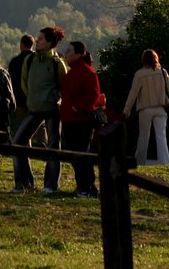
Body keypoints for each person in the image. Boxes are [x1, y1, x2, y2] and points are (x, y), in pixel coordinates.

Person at [11, 25, 68, 193]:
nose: (37, 41)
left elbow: (62, 85)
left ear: (49, 43)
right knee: (18, 143)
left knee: (53, 146)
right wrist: (33, 99)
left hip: (51, 109)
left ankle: (51, 185)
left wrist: (51, 98)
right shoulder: (30, 60)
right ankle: (24, 183)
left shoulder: (57, 62)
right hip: (34, 108)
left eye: (41, 39)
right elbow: (24, 83)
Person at [60, 40, 101, 198]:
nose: (66, 53)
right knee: (74, 154)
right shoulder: (70, 73)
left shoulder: (88, 72)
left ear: (78, 54)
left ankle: (87, 187)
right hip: (69, 120)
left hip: (82, 120)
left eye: (69, 51)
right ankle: (82, 186)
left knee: (82, 154)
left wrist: (76, 106)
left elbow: (93, 96)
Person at [123, 49, 169, 165]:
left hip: (145, 109)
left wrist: (126, 110)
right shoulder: (162, 71)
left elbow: (133, 93)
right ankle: (165, 162)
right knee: (161, 136)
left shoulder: (139, 74)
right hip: (161, 108)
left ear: (144, 59)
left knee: (143, 136)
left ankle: (140, 162)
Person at [7, 35, 45, 146]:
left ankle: (27, 148)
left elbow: (11, 82)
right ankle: (43, 142)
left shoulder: (14, 62)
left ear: (21, 45)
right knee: (40, 123)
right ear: (32, 45)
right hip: (36, 98)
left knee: (24, 125)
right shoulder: (37, 59)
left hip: (20, 99)